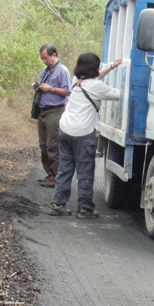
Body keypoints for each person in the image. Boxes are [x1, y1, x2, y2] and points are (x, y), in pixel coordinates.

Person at [48, 53, 122, 218]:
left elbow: (95, 78)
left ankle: (58, 203)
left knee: (65, 169)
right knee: (85, 171)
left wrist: (110, 67)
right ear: (94, 68)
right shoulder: (97, 87)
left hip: (65, 128)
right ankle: (85, 208)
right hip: (83, 132)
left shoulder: (76, 81)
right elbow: (119, 94)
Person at [35, 44, 73, 188]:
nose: (44, 61)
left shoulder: (62, 71)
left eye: (45, 58)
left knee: (53, 146)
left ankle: (58, 178)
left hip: (55, 111)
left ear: (54, 55)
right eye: (42, 59)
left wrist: (50, 89)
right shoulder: (46, 70)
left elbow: (68, 91)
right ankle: (50, 174)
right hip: (43, 112)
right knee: (44, 146)